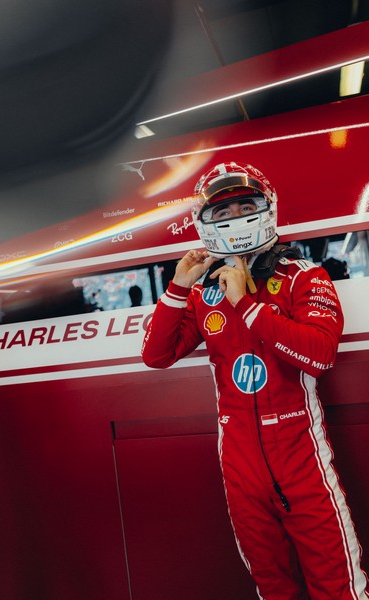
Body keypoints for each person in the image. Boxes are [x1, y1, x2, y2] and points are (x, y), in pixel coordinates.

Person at [142, 162, 368, 599]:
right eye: (223, 213)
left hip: (301, 456)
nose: (236, 218)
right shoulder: (203, 293)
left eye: (246, 207)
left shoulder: (304, 276)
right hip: (239, 461)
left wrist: (246, 304)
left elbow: (319, 356)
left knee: (339, 588)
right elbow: (156, 355)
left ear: (267, 208)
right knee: (272, 588)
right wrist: (178, 287)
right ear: (204, 222)